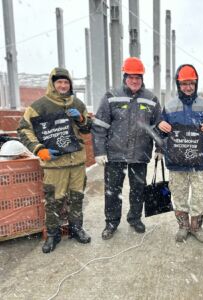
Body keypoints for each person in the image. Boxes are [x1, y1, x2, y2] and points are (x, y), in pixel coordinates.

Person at [18, 67, 92, 253]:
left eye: (66, 82)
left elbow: (87, 129)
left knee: (77, 198)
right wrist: (39, 149)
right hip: (54, 164)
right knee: (53, 200)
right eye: (59, 82)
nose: (63, 85)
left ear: (70, 85)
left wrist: (82, 118)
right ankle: (53, 234)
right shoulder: (39, 106)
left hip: (76, 162)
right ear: (52, 83)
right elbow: (24, 128)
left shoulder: (77, 102)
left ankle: (76, 229)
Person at [92, 57, 162, 240]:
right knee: (113, 190)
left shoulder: (151, 99)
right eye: (131, 77)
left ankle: (135, 218)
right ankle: (111, 222)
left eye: (137, 77)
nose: (134, 81)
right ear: (125, 76)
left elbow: (158, 127)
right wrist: (99, 151)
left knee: (138, 189)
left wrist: (160, 148)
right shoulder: (111, 96)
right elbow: (100, 125)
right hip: (115, 155)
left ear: (142, 78)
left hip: (140, 154)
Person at [156, 64, 203, 243]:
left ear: (196, 83)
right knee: (178, 194)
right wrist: (160, 126)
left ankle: (196, 227)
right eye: (184, 84)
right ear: (178, 85)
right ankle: (183, 226)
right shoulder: (169, 106)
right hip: (176, 161)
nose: (188, 87)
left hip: (199, 162)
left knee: (200, 195)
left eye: (191, 83)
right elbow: (160, 128)